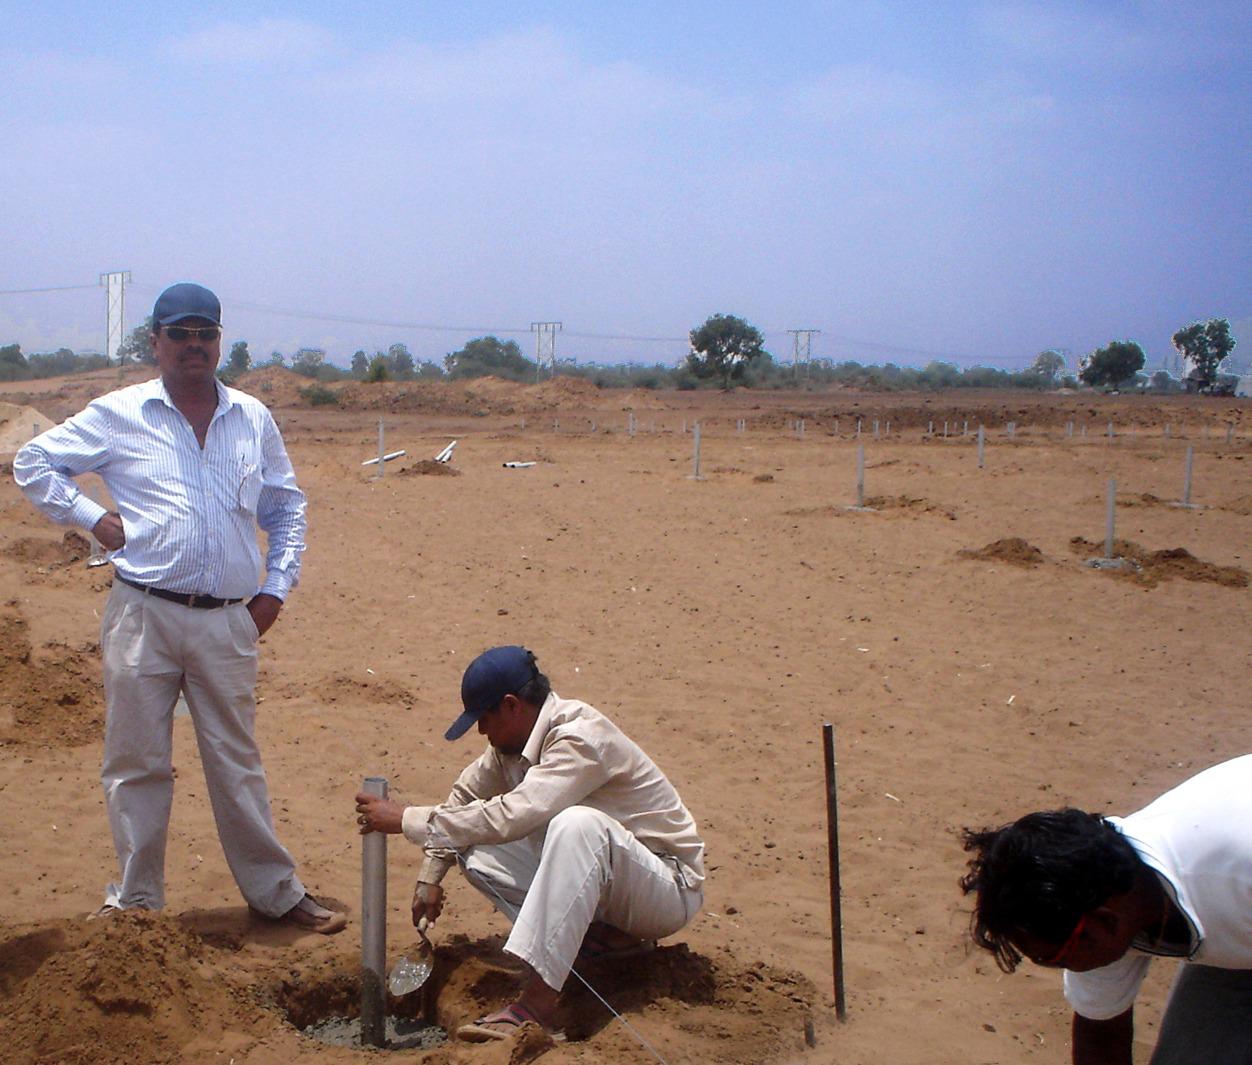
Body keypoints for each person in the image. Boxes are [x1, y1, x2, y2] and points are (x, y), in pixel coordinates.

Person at [13, 281, 345, 934]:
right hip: (143, 613)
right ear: (155, 342)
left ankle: (275, 893)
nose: (194, 346)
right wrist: (91, 518)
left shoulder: (252, 418)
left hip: (228, 618)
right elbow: (33, 461)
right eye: (181, 334)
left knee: (236, 759)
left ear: (218, 341)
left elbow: (287, 508)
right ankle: (136, 903)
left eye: (205, 334)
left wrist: (275, 589)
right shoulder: (119, 413)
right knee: (136, 760)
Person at [354, 645, 705, 1041]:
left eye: (484, 720)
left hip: (665, 888)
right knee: (472, 848)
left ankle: (536, 1006)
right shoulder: (509, 747)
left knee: (577, 827)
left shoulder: (578, 737)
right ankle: (607, 942)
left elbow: (514, 814)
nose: (482, 732)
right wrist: (430, 876)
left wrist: (405, 819)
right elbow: (464, 800)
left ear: (511, 705)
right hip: (615, 886)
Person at [960, 754, 1252, 1065]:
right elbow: (1101, 1038)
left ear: (1104, 923)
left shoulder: (1237, 872)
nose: (1063, 968)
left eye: (1052, 959)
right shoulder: (1105, 893)